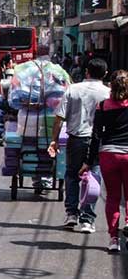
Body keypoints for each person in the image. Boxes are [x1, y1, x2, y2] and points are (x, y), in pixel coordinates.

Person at [50, 57, 109, 232]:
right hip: (99, 141)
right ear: (105, 74)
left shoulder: (73, 90)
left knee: (72, 175)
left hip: (76, 139)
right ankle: (87, 219)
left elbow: (59, 119)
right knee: (94, 178)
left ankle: (72, 214)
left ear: (86, 72)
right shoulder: (107, 93)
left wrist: (54, 140)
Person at [80, 69, 128, 253]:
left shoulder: (102, 106)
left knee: (113, 198)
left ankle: (113, 239)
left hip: (108, 155)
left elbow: (96, 136)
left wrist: (88, 161)